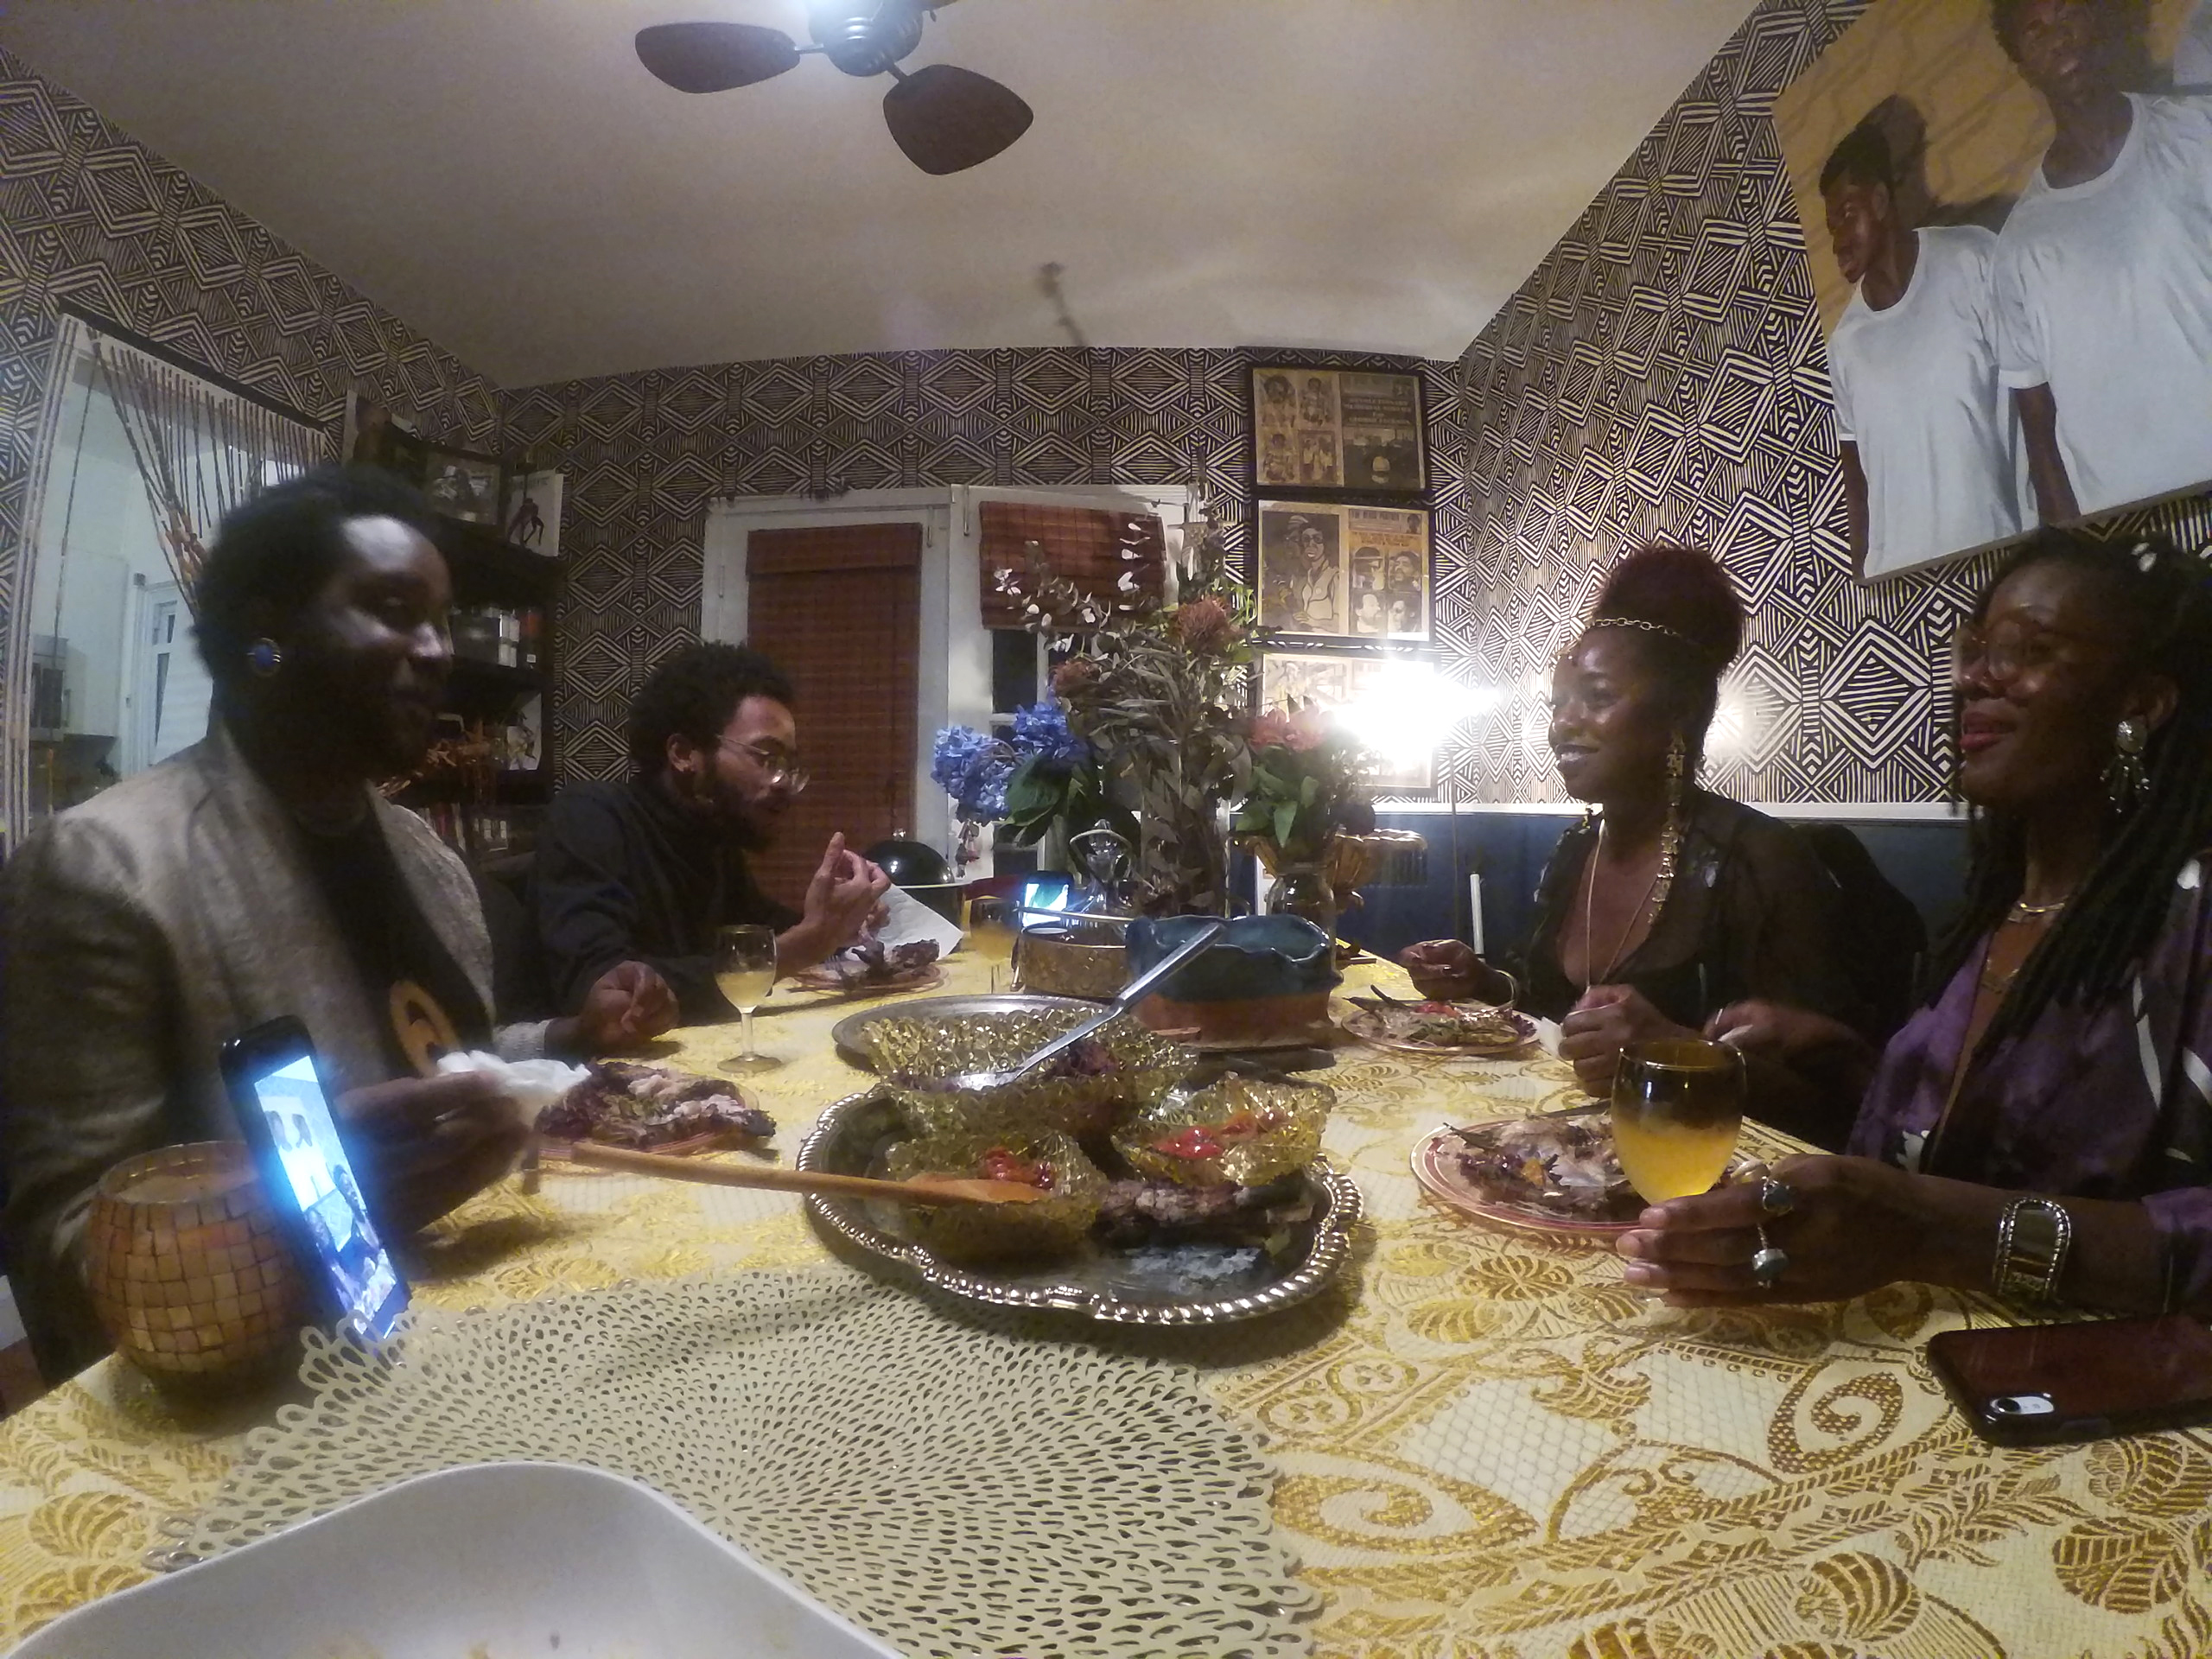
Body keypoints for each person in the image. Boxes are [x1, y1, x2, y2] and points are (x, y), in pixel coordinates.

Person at [3, 467, 677, 1378]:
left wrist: (567, 1032)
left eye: (442, 620)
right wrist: (306, 1210)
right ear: (263, 634)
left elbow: (437, 1058)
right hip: (265, 1402)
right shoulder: (104, 867)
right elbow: (63, 1258)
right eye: (395, 608)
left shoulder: (424, 855)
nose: (437, 650)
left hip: (458, 1326)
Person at [1623, 531, 2212, 1316]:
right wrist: (1841, 1058)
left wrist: (1930, 1233)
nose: (1974, 678)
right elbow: (1977, 1150)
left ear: (2140, 702)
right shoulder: (1996, 914)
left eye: (2029, 649)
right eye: (1974, 649)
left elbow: (1939, 1210)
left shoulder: (2191, 917)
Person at [1402, 546, 1866, 1143]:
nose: (1562, 725)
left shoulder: (1758, 863)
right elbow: (1546, 1003)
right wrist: (1481, 982)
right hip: (1563, 1163)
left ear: (1680, 712)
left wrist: (1677, 1052)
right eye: (1558, 704)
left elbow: (1842, 1112)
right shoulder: (1576, 850)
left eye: (1596, 698)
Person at [531, 643, 890, 1024]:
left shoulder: (712, 833)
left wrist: (839, 920)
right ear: (684, 753)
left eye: (789, 765)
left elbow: (756, 929)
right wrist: (803, 946)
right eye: (766, 758)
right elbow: (604, 993)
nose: (784, 782)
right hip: (590, 1075)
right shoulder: (590, 817)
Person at [1990, 0, 2212, 521]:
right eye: (2037, 31)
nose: (2059, 38)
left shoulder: (2197, 134)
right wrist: (2078, 548)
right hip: (2134, 533)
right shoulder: (2018, 248)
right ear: (2023, 68)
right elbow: (2038, 428)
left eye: (2068, 16)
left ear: (2097, 20)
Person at [1821, 118, 2020, 574]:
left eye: (1847, 216)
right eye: (1831, 227)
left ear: (1881, 200)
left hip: (1999, 553)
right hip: (1901, 580)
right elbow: (1856, 482)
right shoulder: (1846, 345)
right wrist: (1865, 573)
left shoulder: (1972, 259)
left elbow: (2035, 397)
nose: (1838, 242)